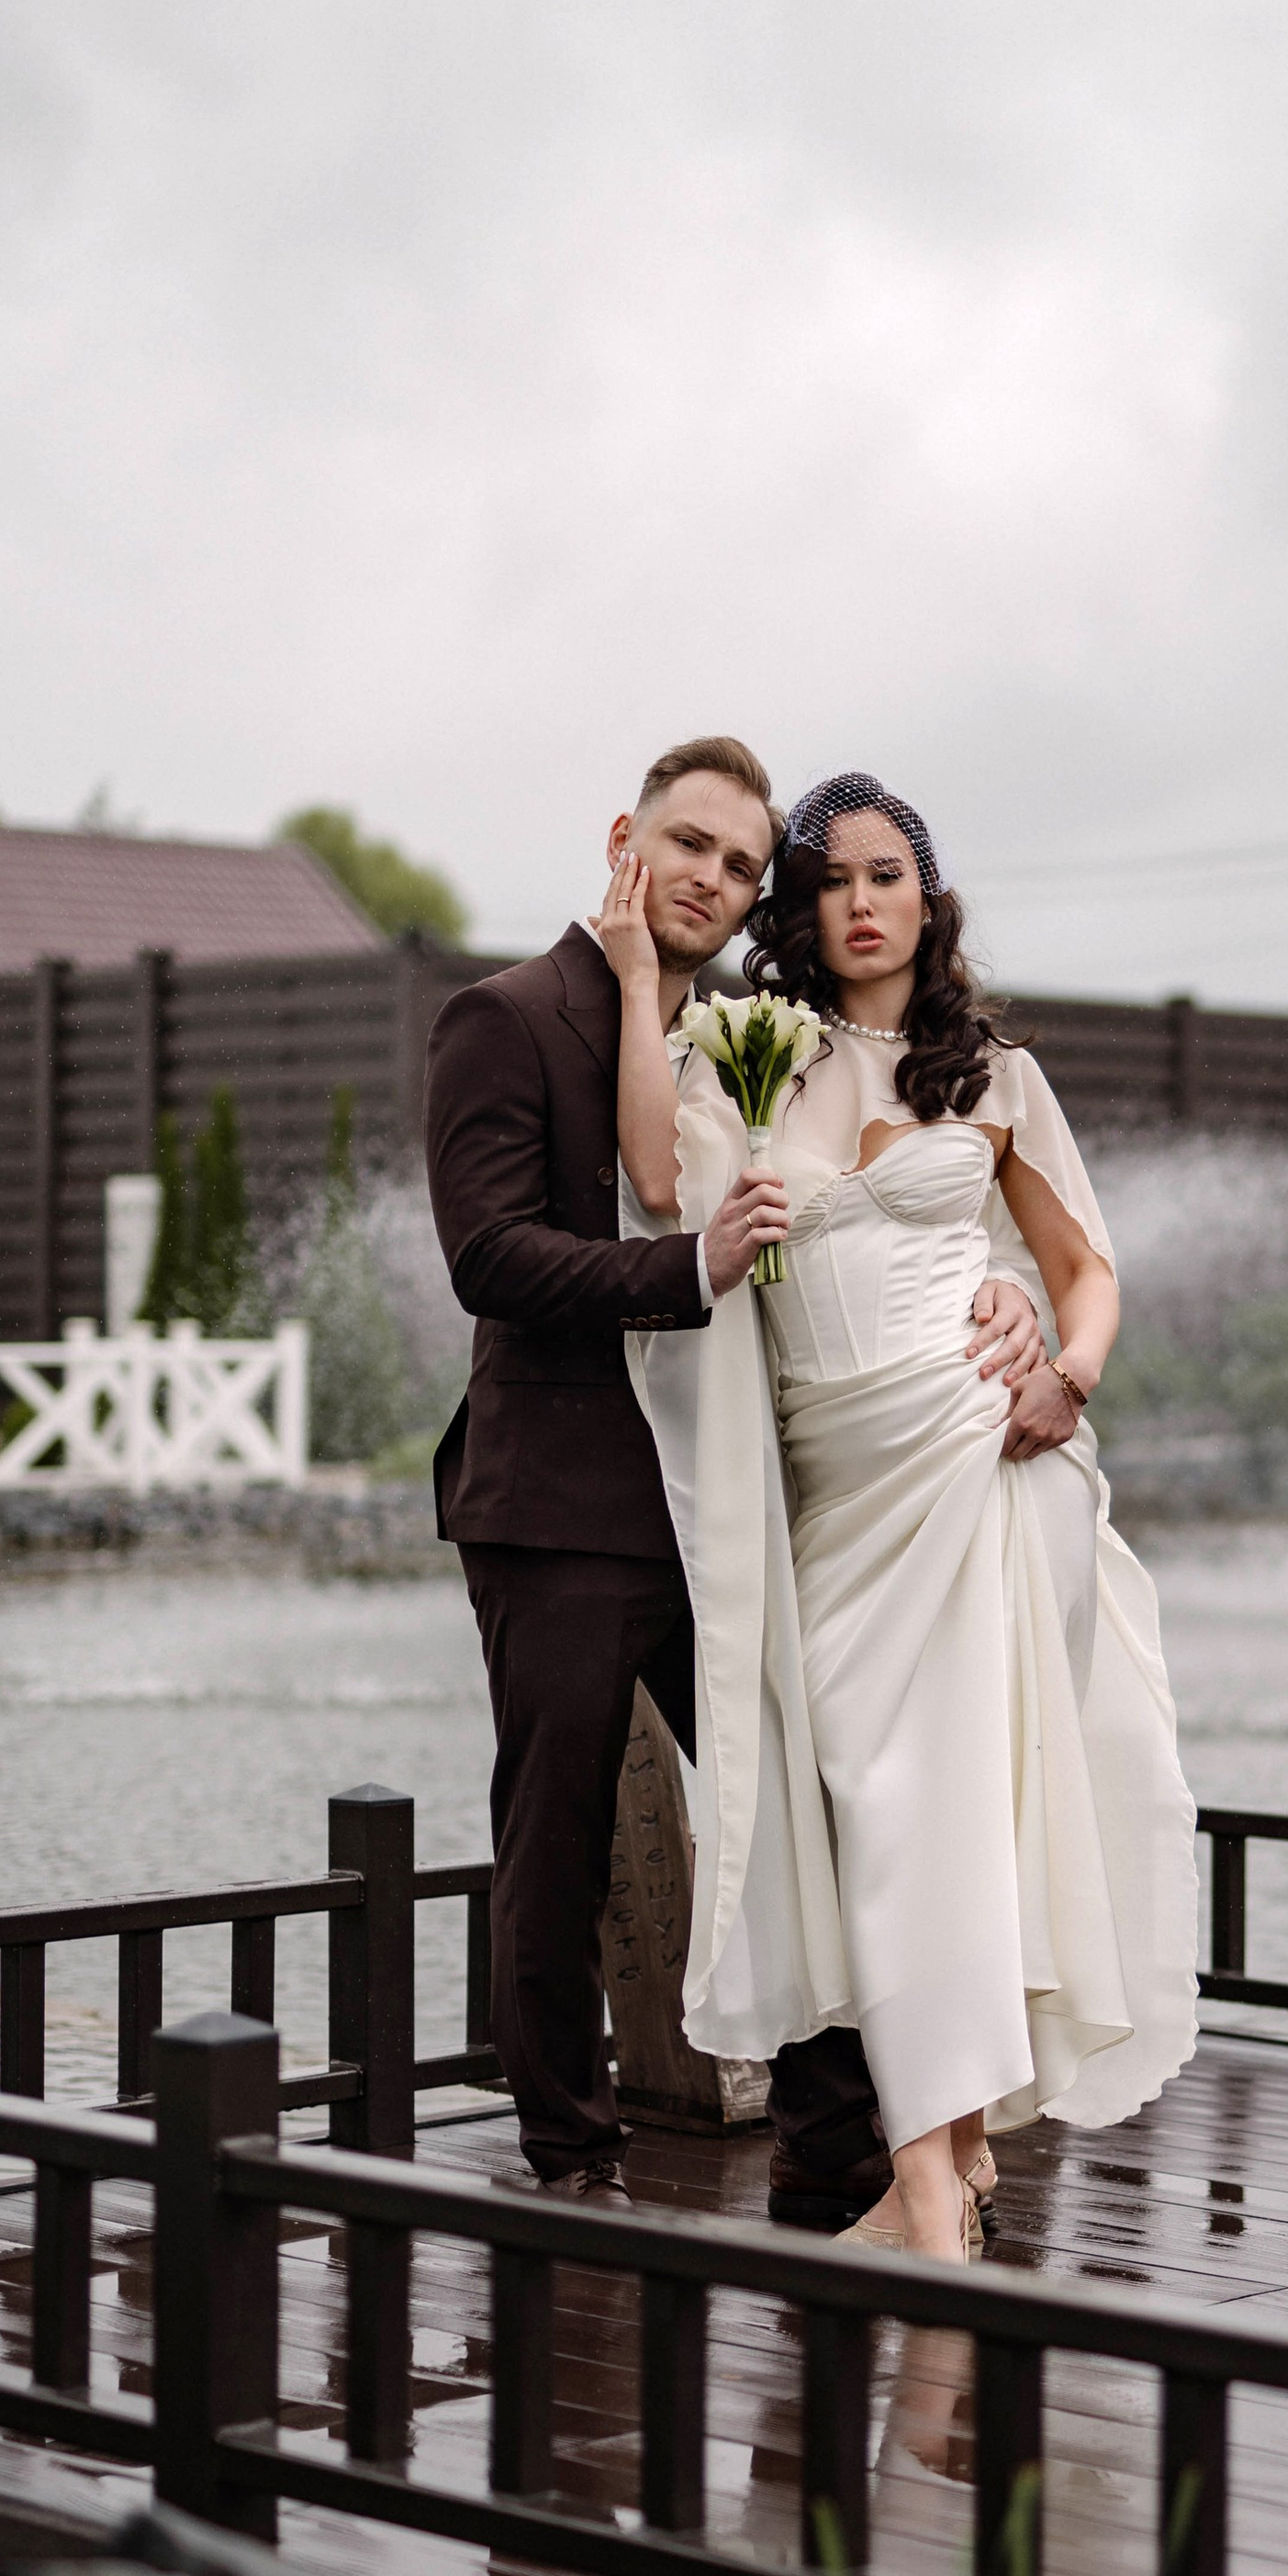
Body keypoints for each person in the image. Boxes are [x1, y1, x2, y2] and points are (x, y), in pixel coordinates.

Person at [422, 736, 1046, 2212]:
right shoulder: (500, 1018)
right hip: (562, 1510)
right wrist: (688, 1268)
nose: (712, 879)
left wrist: (1007, 1296)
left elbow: (883, 1220)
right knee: (557, 1837)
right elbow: (486, 1256)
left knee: (817, 1816)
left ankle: (835, 2162)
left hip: (744, 1509)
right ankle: (574, 2161)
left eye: (742, 864)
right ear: (626, 837)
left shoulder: (744, 1039)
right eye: (690, 845)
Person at [601, 768, 1199, 2263]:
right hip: (835, 1490)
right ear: (799, 911)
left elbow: (1087, 1269)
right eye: (828, 881)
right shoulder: (752, 1055)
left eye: (886, 873)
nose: (858, 902)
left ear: (929, 895)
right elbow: (661, 1181)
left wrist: (1069, 1372)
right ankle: (954, 2159)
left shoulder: (993, 1073)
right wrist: (629, 981)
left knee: (946, 1823)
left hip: (987, 1462)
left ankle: (928, 2185)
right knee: (877, 1819)